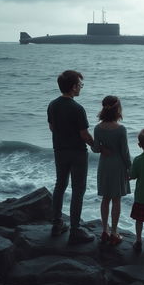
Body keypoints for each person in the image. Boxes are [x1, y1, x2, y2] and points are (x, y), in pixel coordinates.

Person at [47, 70, 95, 244]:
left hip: (59, 150)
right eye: (80, 85)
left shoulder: (52, 105)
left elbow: (52, 128)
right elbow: (84, 134)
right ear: (73, 87)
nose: (81, 87)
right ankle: (75, 229)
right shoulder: (77, 108)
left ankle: (57, 223)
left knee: (60, 185)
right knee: (78, 190)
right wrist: (96, 146)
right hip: (77, 153)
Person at [91, 95, 131, 245]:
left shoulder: (97, 128)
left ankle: (104, 231)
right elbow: (125, 152)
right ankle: (114, 232)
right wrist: (130, 168)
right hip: (118, 165)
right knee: (116, 199)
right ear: (118, 109)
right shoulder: (121, 129)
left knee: (105, 199)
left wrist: (102, 148)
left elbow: (95, 148)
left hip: (105, 165)